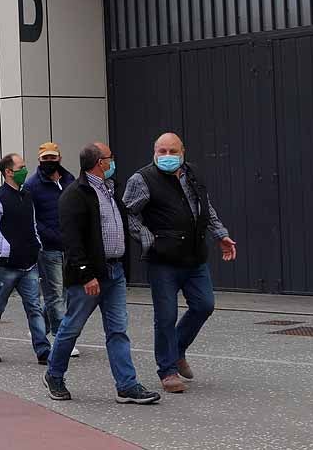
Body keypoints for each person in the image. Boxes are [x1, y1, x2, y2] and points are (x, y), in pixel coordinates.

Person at [43, 143, 160, 405]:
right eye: (110, 158)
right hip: (90, 275)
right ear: (99, 162)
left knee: (118, 330)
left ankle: (127, 386)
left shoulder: (108, 190)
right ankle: (54, 374)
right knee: (72, 327)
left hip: (114, 271)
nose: (113, 162)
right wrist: (86, 274)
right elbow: (72, 240)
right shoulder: (75, 194)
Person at [123, 132, 238, 394]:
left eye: (172, 151)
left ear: (183, 152)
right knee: (165, 316)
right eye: (161, 151)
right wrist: (147, 239)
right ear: (154, 152)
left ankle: (177, 350)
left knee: (204, 305)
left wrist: (221, 236)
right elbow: (128, 213)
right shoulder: (142, 179)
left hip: (194, 256)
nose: (167, 157)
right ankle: (167, 370)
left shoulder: (193, 174)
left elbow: (205, 209)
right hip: (163, 260)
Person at [0, 154, 51, 365]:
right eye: (20, 167)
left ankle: (43, 350)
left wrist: (36, 243)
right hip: (5, 266)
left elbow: (33, 224)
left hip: (29, 263)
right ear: (8, 172)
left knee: (34, 308)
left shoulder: (27, 196)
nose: (25, 170)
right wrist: (6, 248)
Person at [22, 142, 78, 357]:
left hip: (70, 247)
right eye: (45, 159)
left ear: (59, 158)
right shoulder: (32, 186)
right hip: (48, 249)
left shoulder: (69, 179)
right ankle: (61, 338)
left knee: (63, 293)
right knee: (55, 295)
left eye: (52, 158)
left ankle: (40, 328)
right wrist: (53, 237)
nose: (49, 162)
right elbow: (33, 220)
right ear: (39, 160)